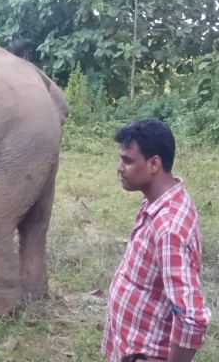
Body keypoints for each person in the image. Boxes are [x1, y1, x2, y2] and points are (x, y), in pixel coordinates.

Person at [102, 118, 211, 362]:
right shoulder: (159, 203)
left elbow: (191, 317)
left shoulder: (169, 227)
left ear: (154, 164)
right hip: (134, 346)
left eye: (127, 161)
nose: (120, 168)